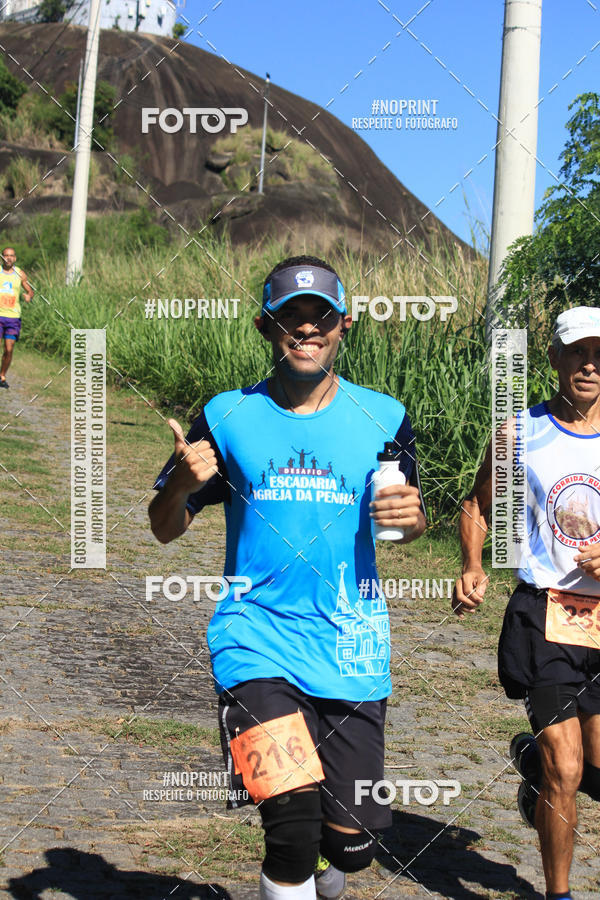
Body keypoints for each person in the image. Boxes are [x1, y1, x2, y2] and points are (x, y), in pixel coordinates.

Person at [149, 255, 426, 899]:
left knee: (352, 845)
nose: (306, 329)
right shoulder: (226, 415)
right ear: (264, 327)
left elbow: (402, 517)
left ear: (344, 325)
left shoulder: (385, 417)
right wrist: (182, 486)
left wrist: (411, 520)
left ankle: (339, 862)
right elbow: (165, 526)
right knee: (291, 823)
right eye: (289, 318)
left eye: (320, 317)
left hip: (351, 648)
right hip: (254, 640)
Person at [452, 306, 600, 900]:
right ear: (554, 359)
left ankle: (534, 773)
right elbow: (478, 505)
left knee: (591, 772)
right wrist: (471, 563)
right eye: (577, 353)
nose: (589, 365)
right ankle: (558, 896)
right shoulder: (522, 430)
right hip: (546, 613)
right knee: (568, 767)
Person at [0, 247, 34, 389]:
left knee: (9, 349)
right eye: (6, 255)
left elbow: (29, 290)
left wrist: (28, 296)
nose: (9, 258)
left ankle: (2, 375)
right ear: (2, 257)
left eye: (11, 256)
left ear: (15, 258)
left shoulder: (19, 274)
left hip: (13, 318)